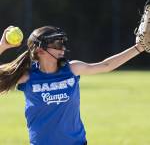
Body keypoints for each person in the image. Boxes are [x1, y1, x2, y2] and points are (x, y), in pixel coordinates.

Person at [0, 25, 144, 145]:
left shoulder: (72, 69)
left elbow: (106, 65)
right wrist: (2, 46)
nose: (62, 48)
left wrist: (139, 47)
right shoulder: (28, 76)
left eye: (62, 43)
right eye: (56, 44)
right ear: (40, 50)